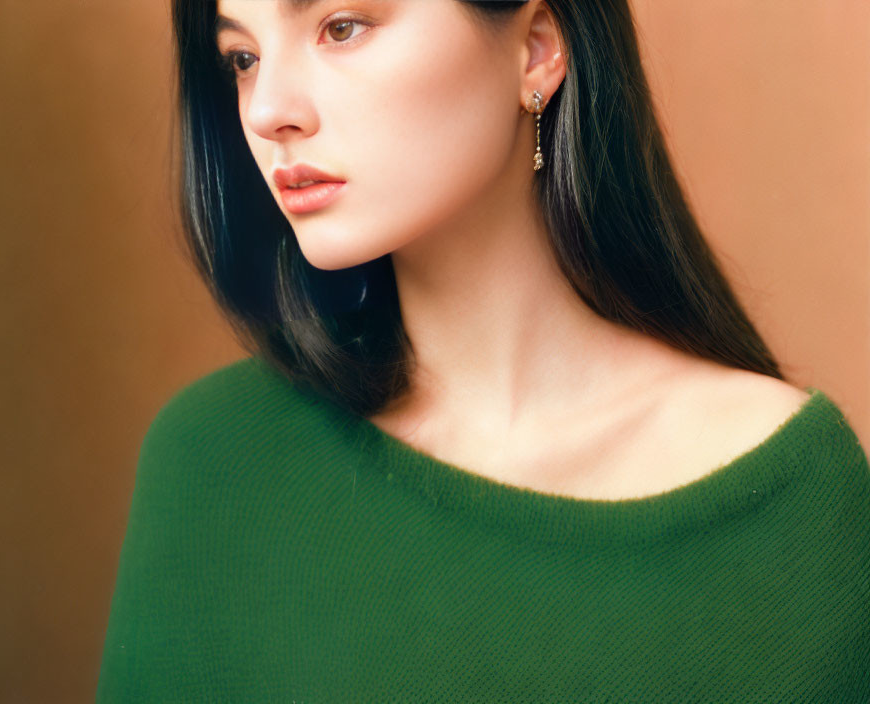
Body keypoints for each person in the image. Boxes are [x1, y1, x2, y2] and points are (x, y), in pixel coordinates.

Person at [97, 0, 870, 700]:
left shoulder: (785, 495)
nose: (268, 110)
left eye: (341, 26)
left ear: (535, 49)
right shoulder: (215, 465)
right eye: (242, 58)